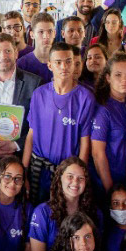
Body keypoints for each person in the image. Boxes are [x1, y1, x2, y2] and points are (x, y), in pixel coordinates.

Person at [23, 43, 95, 199]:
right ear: (49, 65)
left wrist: (80, 174)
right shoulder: (39, 94)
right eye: (58, 62)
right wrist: (24, 170)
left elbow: (85, 141)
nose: (64, 66)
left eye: (69, 61)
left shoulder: (85, 98)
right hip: (39, 169)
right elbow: (31, 134)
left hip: (68, 172)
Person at [0, 33, 41, 160]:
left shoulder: (35, 83)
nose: (3, 56)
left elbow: (39, 125)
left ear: (16, 53)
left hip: (21, 157)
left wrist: (16, 145)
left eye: (7, 51)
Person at [90, 53, 126, 191]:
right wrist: (110, 192)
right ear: (108, 78)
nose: (124, 79)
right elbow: (97, 154)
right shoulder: (103, 110)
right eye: (118, 75)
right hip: (109, 181)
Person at [16, 13, 55, 84]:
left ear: (55, 33)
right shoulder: (22, 64)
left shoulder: (61, 62)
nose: (46, 36)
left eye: (50, 31)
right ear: (32, 35)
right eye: (41, 32)